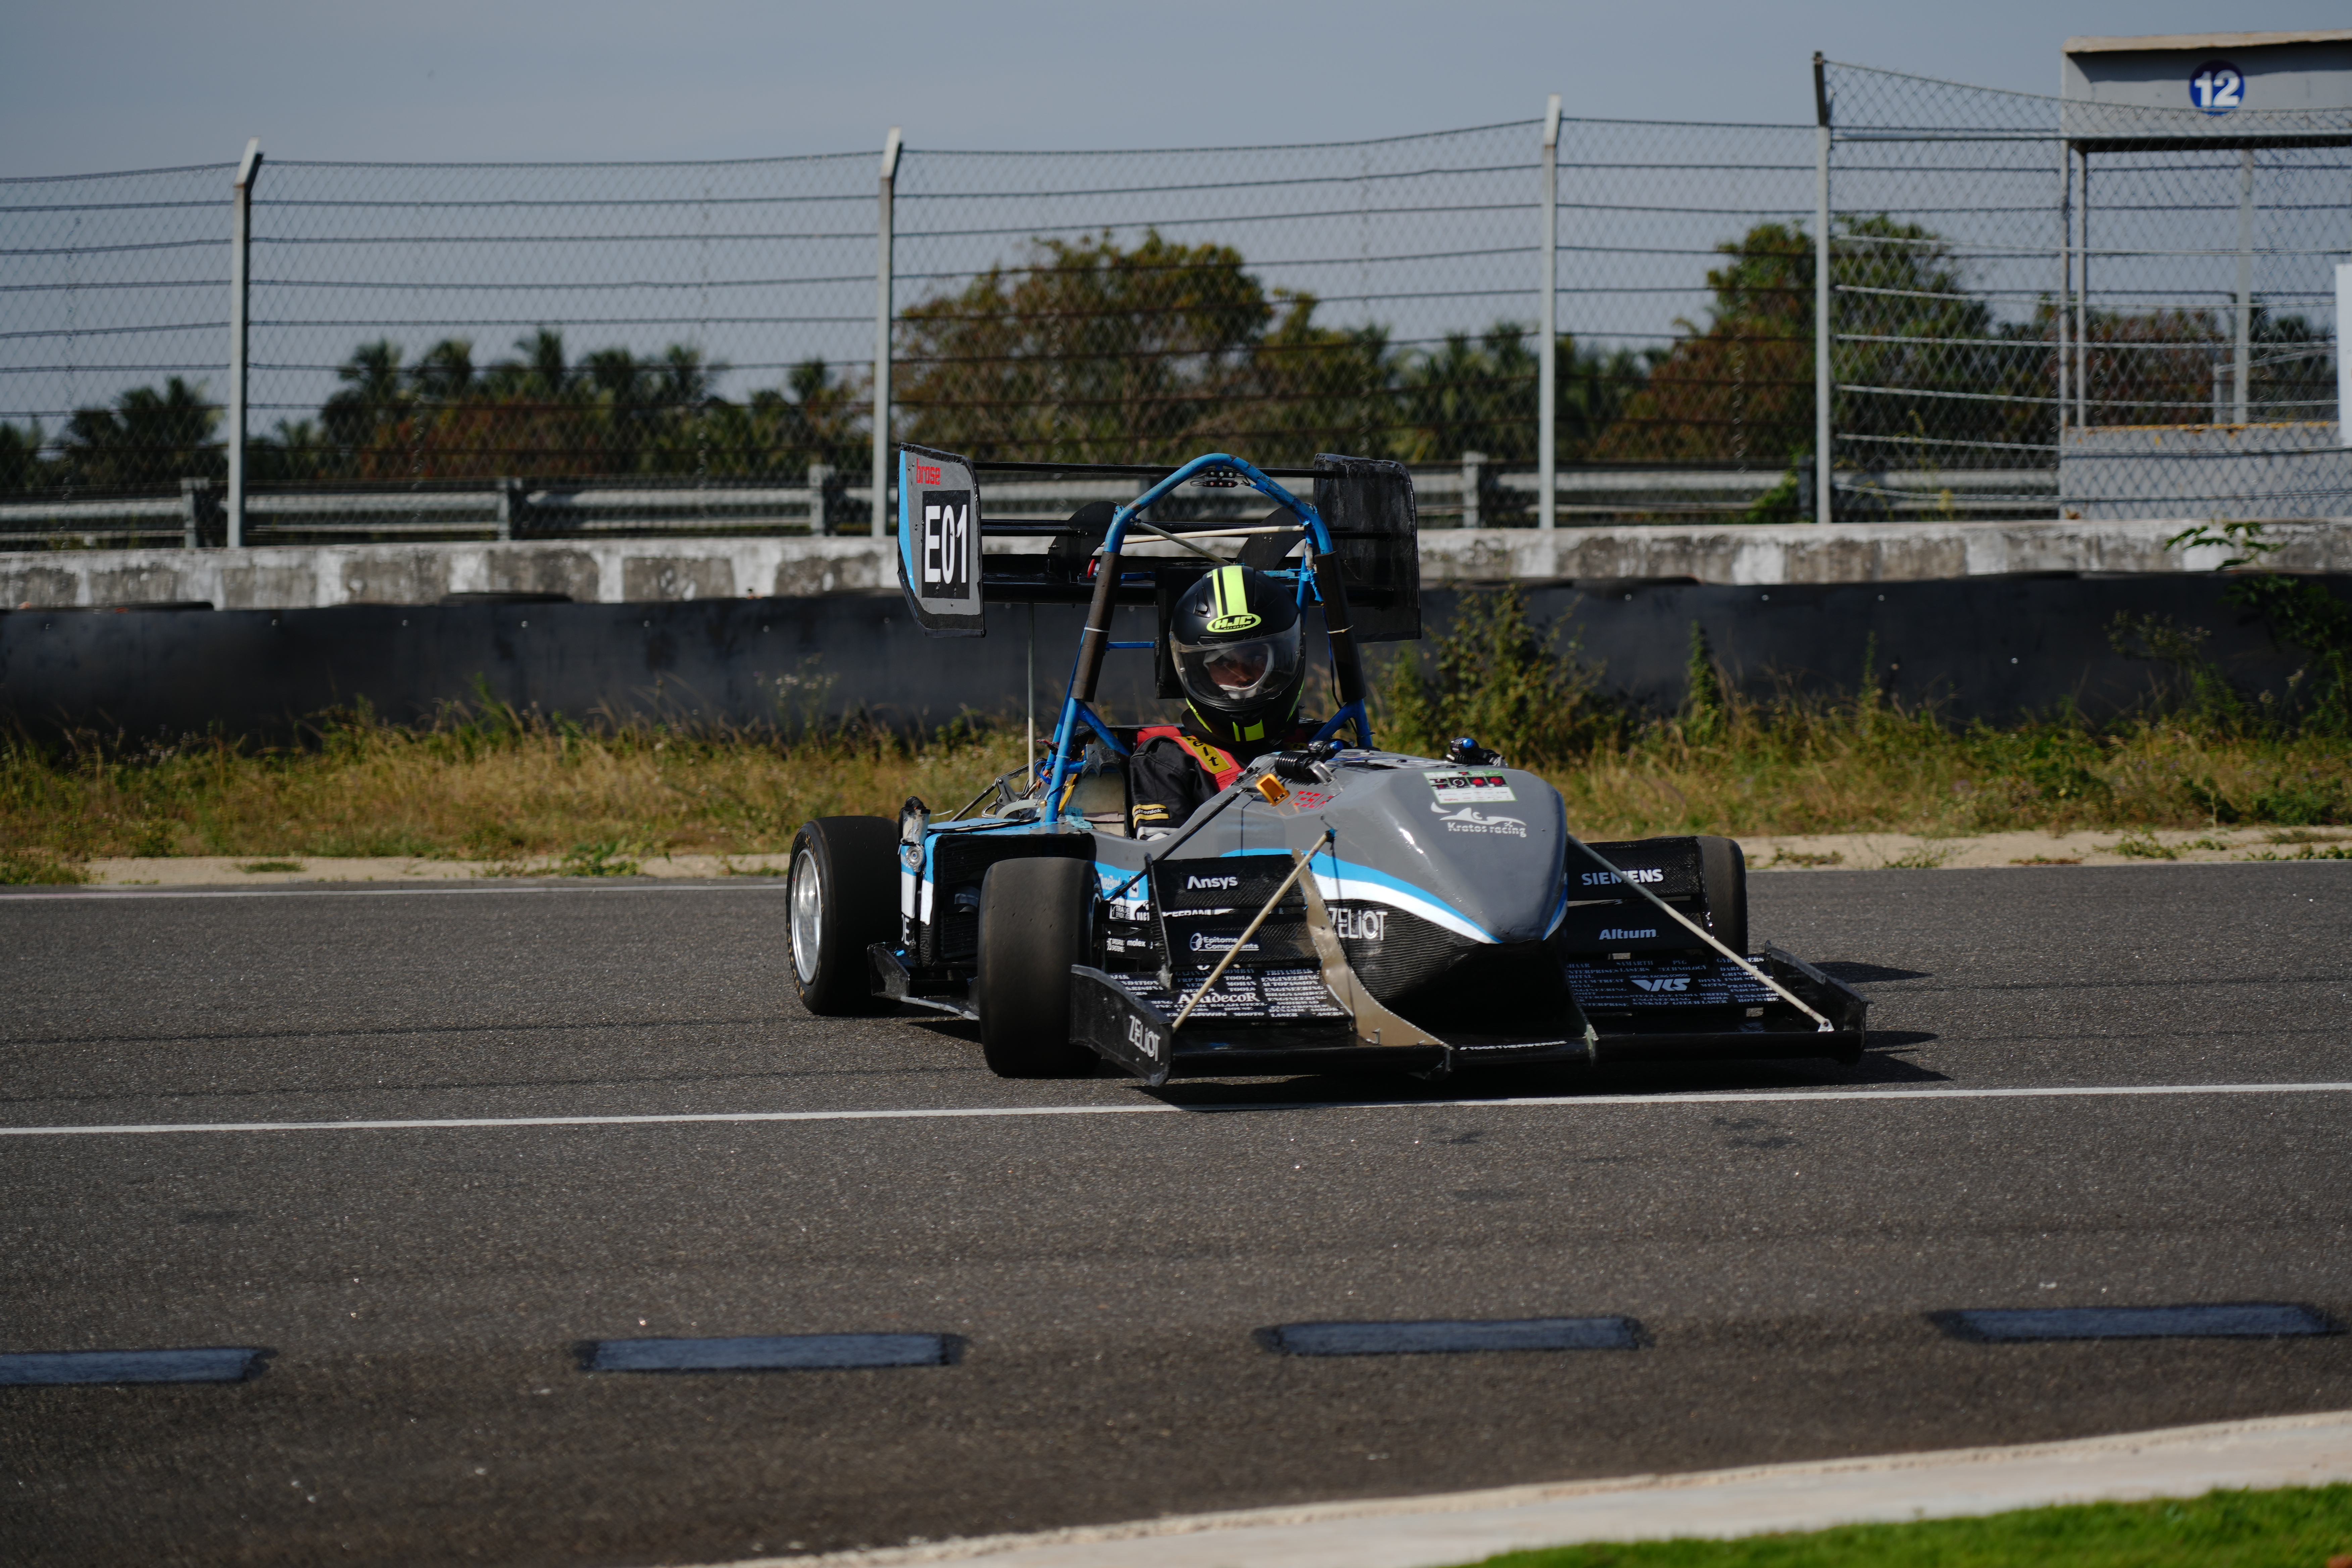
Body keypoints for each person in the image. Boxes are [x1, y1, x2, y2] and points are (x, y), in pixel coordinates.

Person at [1127, 564, 1316, 835]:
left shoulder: (1322, 748)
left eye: (1255, 658)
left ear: (1283, 659)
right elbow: (1163, 865)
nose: (1242, 675)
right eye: (1224, 662)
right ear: (1199, 671)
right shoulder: (1168, 762)